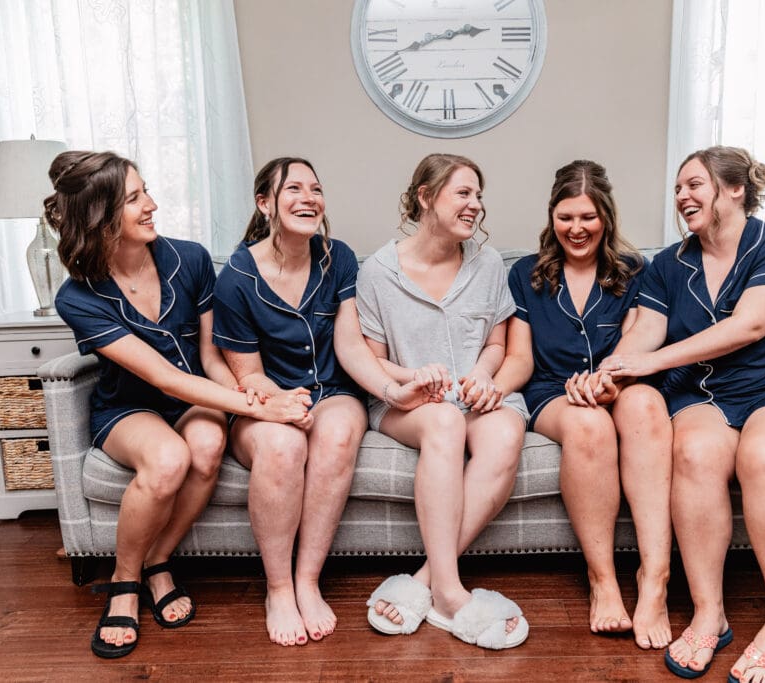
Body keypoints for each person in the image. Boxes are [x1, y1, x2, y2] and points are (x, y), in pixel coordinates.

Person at [48, 150, 311, 659]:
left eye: (145, 191)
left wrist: (257, 394)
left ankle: (158, 561)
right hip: (131, 408)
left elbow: (211, 358)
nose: (151, 204)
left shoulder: (189, 259)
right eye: (133, 198)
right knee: (169, 459)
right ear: (101, 216)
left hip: (196, 396)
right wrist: (263, 409)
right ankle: (125, 580)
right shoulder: (76, 297)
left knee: (208, 443)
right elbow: (162, 377)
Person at [599, 146, 765, 682]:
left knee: (764, 454)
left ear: (735, 189)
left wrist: (652, 360)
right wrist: (615, 368)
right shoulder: (668, 263)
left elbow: (750, 326)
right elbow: (645, 330)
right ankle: (710, 613)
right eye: (678, 189)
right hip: (710, 395)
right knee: (692, 450)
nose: (682, 196)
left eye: (694, 185)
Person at [212, 157, 439, 647]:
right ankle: (278, 589)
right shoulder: (235, 277)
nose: (308, 197)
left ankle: (307, 581)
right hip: (265, 401)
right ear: (264, 204)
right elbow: (246, 373)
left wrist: (392, 391)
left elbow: (351, 345)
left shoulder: (339, 259)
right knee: (282, 448)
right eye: (292, 188)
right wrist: (280, 403)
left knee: (335, 433)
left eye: (315, 188)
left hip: (334, 393)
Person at [493, 160, 673, 649]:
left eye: (588, 217)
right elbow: (522, 358)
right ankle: (603, 580)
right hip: (554, 390)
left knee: (648, 409)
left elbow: (641, 339)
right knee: (590, 427)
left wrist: (611, 377)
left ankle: (654, 580)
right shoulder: (525, 275)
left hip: (624, 379)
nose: (577, 229)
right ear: (552, 216)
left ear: (606, 218)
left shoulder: (638, 271)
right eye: (566, 217)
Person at [358, 153, 530, 650]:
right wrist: (413, 376)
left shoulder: (489, 263)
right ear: (425, 197)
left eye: (478, 195)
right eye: (463, 193)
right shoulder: (378, 272)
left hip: (473, 400)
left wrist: (481, 374)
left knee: (505, 430)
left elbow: (497, 344)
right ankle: (452, 595)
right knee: (444, 425)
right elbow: (373, 360)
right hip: (408, 406)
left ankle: (425, 581)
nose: (475, 205)